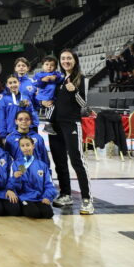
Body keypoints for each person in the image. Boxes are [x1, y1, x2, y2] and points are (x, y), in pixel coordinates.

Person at [48, 49, 95, 215]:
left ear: (75, 60)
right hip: (56, 125)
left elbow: (83, 104)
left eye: (69, 58)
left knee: (77, 161)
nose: (66, 61)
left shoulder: (80, 78)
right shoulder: (60, 79)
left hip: (71, 124)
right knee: (59, 162)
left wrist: (74, 90)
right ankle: (66, 194)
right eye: (63, 58)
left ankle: (87, 199)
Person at [9, 135, 56, 219]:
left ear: (33, 146)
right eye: (22, 146)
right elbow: (16, 187)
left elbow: (49, 184)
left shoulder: (42, 165)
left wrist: (47, 197)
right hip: (25, 197)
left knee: (48, 214)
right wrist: (16, 178)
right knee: (33, 213)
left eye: (28, 145)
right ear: (20, 148)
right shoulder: (17, 164)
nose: (25, 148)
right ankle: (23, 206)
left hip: (39, 197)